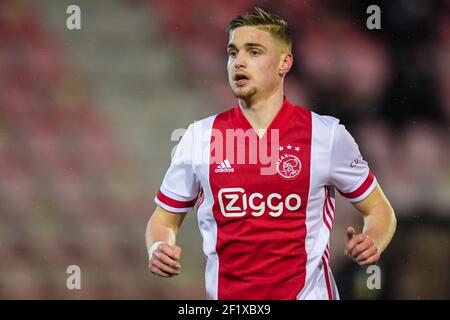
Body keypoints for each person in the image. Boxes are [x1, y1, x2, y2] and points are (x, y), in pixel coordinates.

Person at [145, 7, 396, 300]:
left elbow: (380, 210)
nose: (238, 61)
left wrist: (372, 241)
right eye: (232, 52)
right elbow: (163, 220)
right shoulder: (199, 137)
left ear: (284, 62)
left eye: (253, 52)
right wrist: (158, 247)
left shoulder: (326, 136)